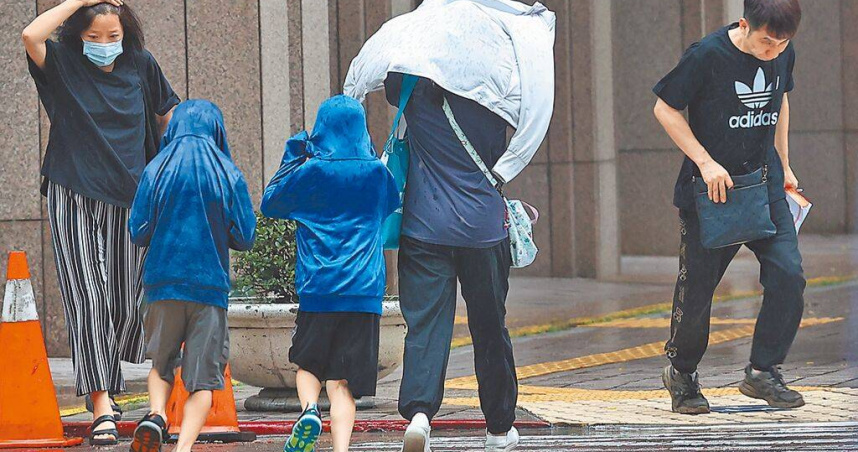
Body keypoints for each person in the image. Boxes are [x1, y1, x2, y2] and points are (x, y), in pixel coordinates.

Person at [22, 0, 179, 445]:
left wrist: (185, 156)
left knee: (127, 296)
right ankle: (101, 404)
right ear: (78, 37)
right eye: (95, 38)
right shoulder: (63, 63)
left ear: (125, 35)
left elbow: (169, 114)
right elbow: (31, 35)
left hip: (131, 196)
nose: (106, 45)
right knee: (87, 296)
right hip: (73, 191)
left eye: (113, 37)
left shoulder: (141, 64)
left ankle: (112, 372)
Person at [653, 0, 806, 414]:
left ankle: (763, 371)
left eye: (781, 43)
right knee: (698, 289)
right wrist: (704, 162)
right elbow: (664, 108)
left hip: (765, 181)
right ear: (744, 24)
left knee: (789, 275)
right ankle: (681, 374)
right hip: (712, 190)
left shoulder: (782, 50)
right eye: (766, 42)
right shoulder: (707, 54)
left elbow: (780, 100)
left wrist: (785, 162)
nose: (773, 51)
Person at [260, 95, 400, 452]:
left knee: (308, 364)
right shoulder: (377, 174)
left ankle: (309, 410)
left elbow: (270, 202)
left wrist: (296, 152)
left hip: (319, 287)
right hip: (364, 291)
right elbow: (391, 205)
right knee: (343, 382)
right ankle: (340, 449)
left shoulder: (312, 172)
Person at [127, 100, 256, 452]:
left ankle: (155, 414)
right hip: (208, 290)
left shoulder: (155, 169)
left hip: (161, 285)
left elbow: (137, 230)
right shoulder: (228, 173)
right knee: (202, 382)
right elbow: (245, 236)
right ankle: (183, 447)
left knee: (161, 364)